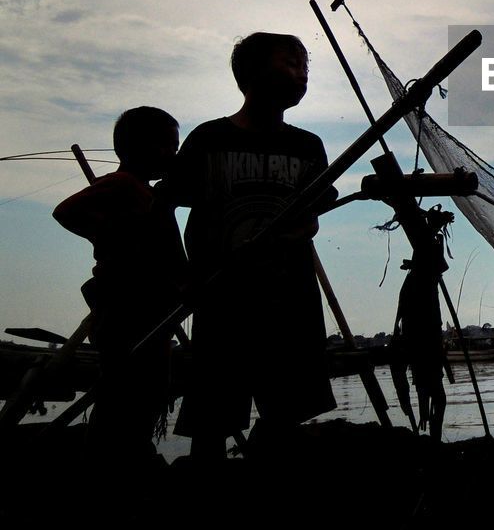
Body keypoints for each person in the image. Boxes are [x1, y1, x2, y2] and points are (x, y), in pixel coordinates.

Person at [167, 32, 336, 458]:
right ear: (251, 74)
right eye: (290, 63)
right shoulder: (209, 141)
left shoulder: (307, 146)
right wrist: (182, 273)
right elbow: (165, 203)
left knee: (285, 414)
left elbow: (313, 216)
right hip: (223, 298)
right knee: (212, 420)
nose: (301, 76)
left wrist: (297, 230)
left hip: (289, 298)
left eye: (305, 68)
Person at [53, 106, 186, 461]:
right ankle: (113, 459)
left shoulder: (151, 192)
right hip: (127, 309)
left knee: (148, 388)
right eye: (167, 147)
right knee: (126, 389)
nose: (172, 155)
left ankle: (128, 453)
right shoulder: (123, 184)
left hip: (154, 308)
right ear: (136, 148)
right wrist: (112, 235)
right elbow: (65, 212)